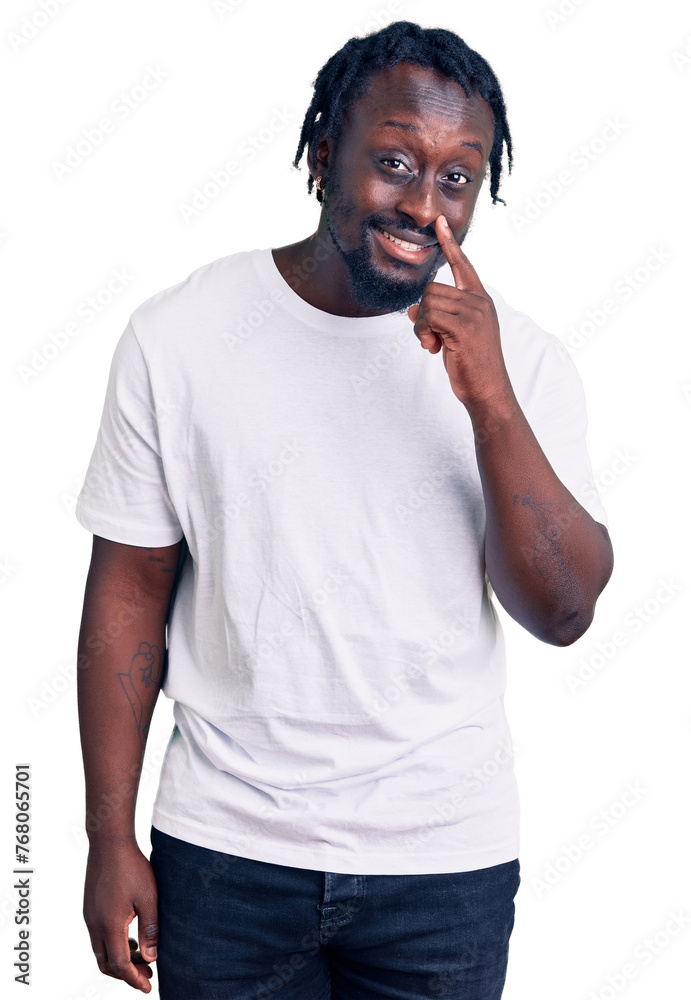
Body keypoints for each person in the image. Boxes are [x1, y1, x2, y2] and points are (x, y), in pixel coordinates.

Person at [75, 19, 613, 1000]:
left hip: (443, 866)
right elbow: (129, 593)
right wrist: (107, 836)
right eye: (396, 161)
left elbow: (564, 609)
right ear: (324, 155)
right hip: (223, 856)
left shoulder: (522, 361)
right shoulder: (182, 334)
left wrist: (487, 399)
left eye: (457, 177)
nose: (422, 204)